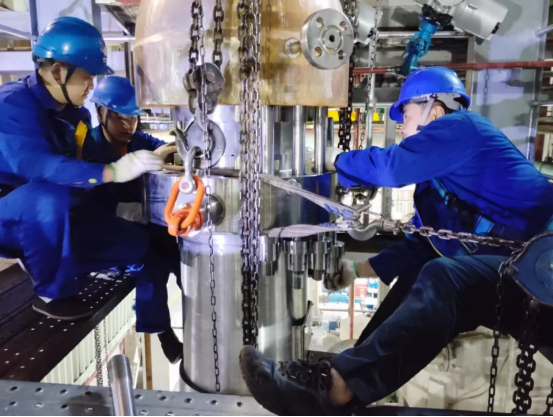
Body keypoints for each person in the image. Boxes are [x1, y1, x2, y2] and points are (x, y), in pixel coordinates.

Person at [238, 67, 553, 415]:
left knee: (444, 278)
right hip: (526, 280)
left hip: (545, 266)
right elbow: (424, 245)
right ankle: (337, 388)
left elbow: (392, 168)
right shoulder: (436, 187)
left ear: (435, 110)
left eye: (407, 114)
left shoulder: (463, 127)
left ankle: (335, 386)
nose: (401, 127)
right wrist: (357, 270)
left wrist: (336, 160)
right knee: (425, 274)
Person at [0, 16, 179, 359]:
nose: (90, 85)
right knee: (48, 193)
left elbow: (81, 183)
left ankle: (57, 259)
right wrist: (111, 171)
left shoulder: (76, 116)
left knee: (137, 243)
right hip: (10, 213)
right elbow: (38, 167)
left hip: (55, 215)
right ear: (58, 71)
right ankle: (52, 292)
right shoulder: (12, 104)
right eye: (86, 76)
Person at [85, 75, 183, 363]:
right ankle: (163, 332)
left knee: (182, 256)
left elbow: (163, 150)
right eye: (119, 117)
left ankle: (203, 318)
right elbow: (85, 202)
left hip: (146, 223)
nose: (128, 125)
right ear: (101, 114)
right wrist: (122, 211)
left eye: (133, 117)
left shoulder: (138, 140)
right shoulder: (88, 148)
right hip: (106, 229)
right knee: (150, 265)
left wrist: (177, 148)